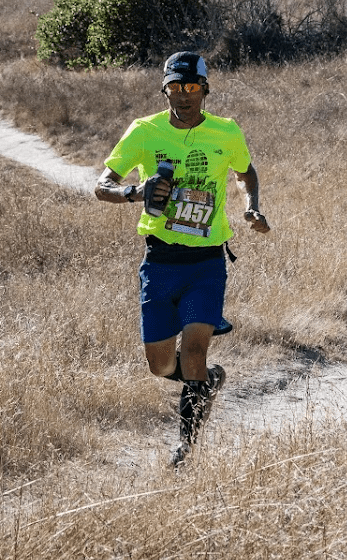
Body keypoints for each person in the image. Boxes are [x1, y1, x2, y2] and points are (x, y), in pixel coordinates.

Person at [95, 51, 270, 467]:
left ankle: (186, 449)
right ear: (165, 89)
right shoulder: (144, 131)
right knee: (159, 364)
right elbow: (102, 185)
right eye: (176, 87)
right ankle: (207, 382)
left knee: (193, 348)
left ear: (205, 90)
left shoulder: (226, 132)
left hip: (207, 262)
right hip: (160, 260)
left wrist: (252, 207)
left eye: (192, 87)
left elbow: (246, 172)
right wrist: (136, 193)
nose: (184, 95)